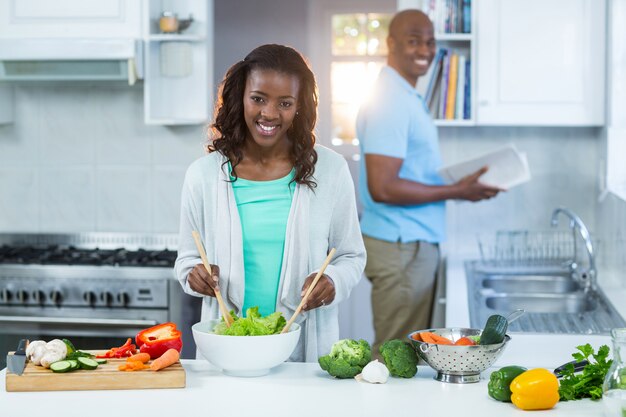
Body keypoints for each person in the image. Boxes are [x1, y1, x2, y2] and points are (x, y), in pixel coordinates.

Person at [175, 44, 366, 362]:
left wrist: (333, 281)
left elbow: (351, 256)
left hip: (303, 348)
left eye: (285, 103)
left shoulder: (331, 171)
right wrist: (194, 274)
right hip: (228, 348)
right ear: (240, 97)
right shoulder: (203, 175)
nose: (269, 113)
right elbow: (187, 259)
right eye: (258, 98)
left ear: (299, 107)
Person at [356, 10, 502, 356]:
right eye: (413, 40)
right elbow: (383, 187)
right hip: (402, 245)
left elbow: (404, 176)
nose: (425, 48)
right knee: (394, 356)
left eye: (431, 41)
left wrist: (458, 186)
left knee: (408, 356)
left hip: (410, 244)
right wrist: (457, 191)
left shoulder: (404, 95)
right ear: (390, 44)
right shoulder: (390, 99)